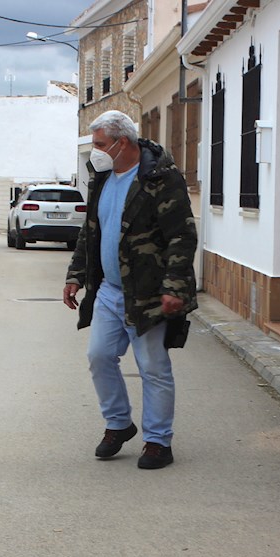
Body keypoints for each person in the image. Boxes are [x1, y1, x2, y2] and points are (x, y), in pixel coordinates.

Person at [63, 110, 199, 469]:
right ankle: (119, 424)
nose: (96, 152)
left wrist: (174, 286)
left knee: (152, 366)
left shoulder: (160, 178)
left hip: (149, 291)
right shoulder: (103, 176)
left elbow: (182, 235)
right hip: (108, 290)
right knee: (99, 356)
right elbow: (91, 230)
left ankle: (157, 441)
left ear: (123, 142)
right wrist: (76, 273)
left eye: (101, 144)